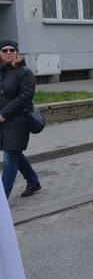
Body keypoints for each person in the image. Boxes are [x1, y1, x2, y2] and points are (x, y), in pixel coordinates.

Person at [0, 40, 41, 199]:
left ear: (17, 52)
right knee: (15, 153)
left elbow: (25, 97)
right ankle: (32, 181)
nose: (8, 52)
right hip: (3, 121)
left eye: (12, 50)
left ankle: (3, 198)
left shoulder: (24, 72)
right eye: (4, 50)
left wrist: (4, 114)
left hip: (18, 120)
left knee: (10, 156)